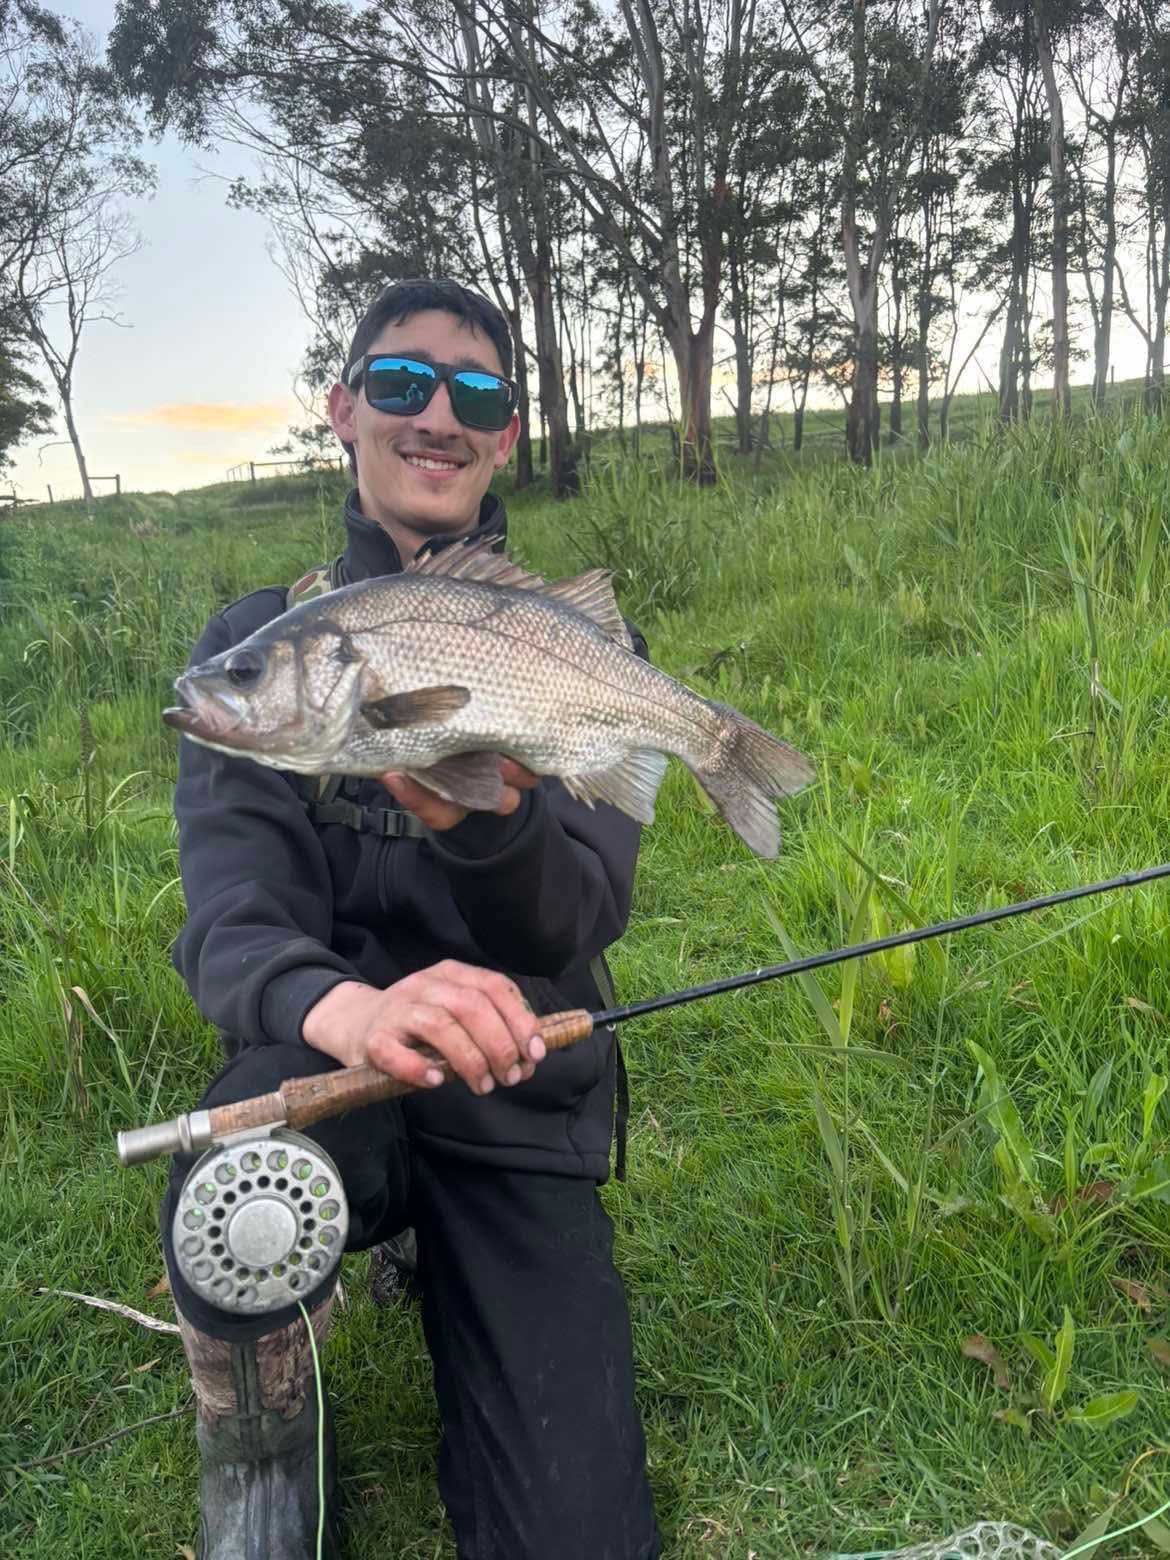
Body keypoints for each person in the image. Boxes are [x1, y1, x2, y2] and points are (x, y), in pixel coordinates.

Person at [160, 277, 661, 1560]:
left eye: (476, 395)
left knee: (578, 1539)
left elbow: (583, 914)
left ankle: (446, 1263)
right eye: (401, 382)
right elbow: (234, 915)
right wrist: (361, 1009)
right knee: (241, 1181)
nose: (437, 414)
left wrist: (490, 822)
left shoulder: (571, 644)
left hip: (517, 1082)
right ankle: (262, 1448)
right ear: (344, 409)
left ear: (501, 435)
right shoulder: (260, 642)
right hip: (332, 1074)